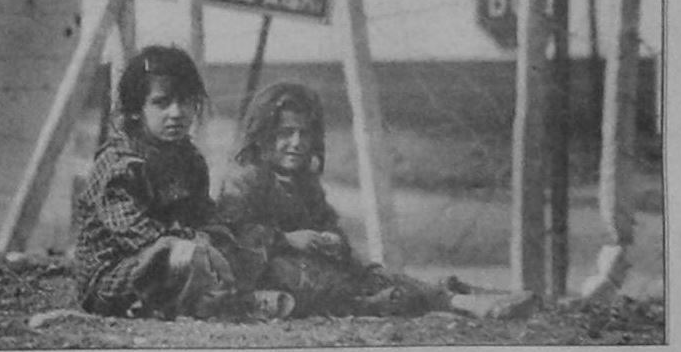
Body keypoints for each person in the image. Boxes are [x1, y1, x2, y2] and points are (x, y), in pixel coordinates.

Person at [215, 82, 537, 319]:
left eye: (304, 133)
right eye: (285, 133)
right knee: (332, 285)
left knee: (370, 274)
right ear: (263, 134)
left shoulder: (305, 181)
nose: (296, 143)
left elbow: (326, 222)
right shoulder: (245, 178)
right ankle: (452, 301)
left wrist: (332, 240)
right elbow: (230, 237)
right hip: (270, 275)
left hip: (311, 268)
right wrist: (287, 239)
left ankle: (464, 300)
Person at [73, 45, 237, 320]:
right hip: (112, 277)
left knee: (231, 244)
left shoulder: (189, 159)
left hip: (170, 253)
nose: (177, 112)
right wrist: (192, 241)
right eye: (162, 103)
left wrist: (215, 233)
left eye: (186, 102)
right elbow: (137, 234)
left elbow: (201, 212)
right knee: (179, 254)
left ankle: (204, 298)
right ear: (137, 110)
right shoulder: (120, 164)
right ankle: (205, 302)